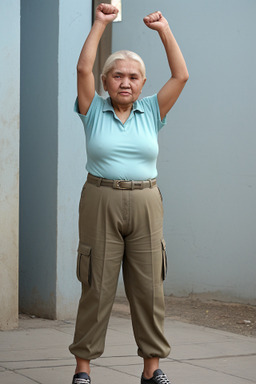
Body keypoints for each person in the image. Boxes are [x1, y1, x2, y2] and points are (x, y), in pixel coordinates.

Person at [69, 3, 189, 384]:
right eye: (118, 75)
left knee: (149, 287)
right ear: (106, 83)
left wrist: (164, 30)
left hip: (145, 202)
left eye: (134, 77)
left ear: (142, 83)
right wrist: (101, 23)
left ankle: (152, 371)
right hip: (100, 199)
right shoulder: (92, 110)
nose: (125, 81)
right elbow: (83, 68)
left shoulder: (153, 110)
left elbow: (181, 75)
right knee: (96, 287)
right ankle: (83, 370)